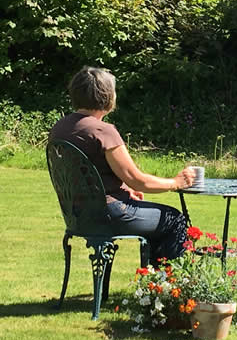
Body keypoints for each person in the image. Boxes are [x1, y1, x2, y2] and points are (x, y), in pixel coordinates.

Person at [49, 66, 195, 264]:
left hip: (78, 216)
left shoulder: (60, 128)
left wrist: (124, 190)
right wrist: (176, 182)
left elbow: (90, 171)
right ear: (107, 95)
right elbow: (138, 181)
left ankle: (152, 287)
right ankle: (164, 288)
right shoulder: (102, 131)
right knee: (174, 220)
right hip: (110, 214)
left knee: (158, 221)